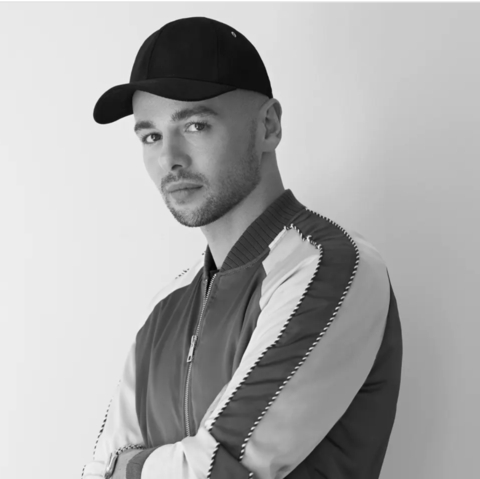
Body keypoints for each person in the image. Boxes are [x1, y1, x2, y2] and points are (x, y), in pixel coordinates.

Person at [82, 16, 403, 479]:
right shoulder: (164, 307)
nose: (169, 158)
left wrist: (131, 466)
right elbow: (96, 469)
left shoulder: (331, 267)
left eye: (195, 125)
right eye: (151, 136)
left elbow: (213, 471)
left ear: (268, 126)